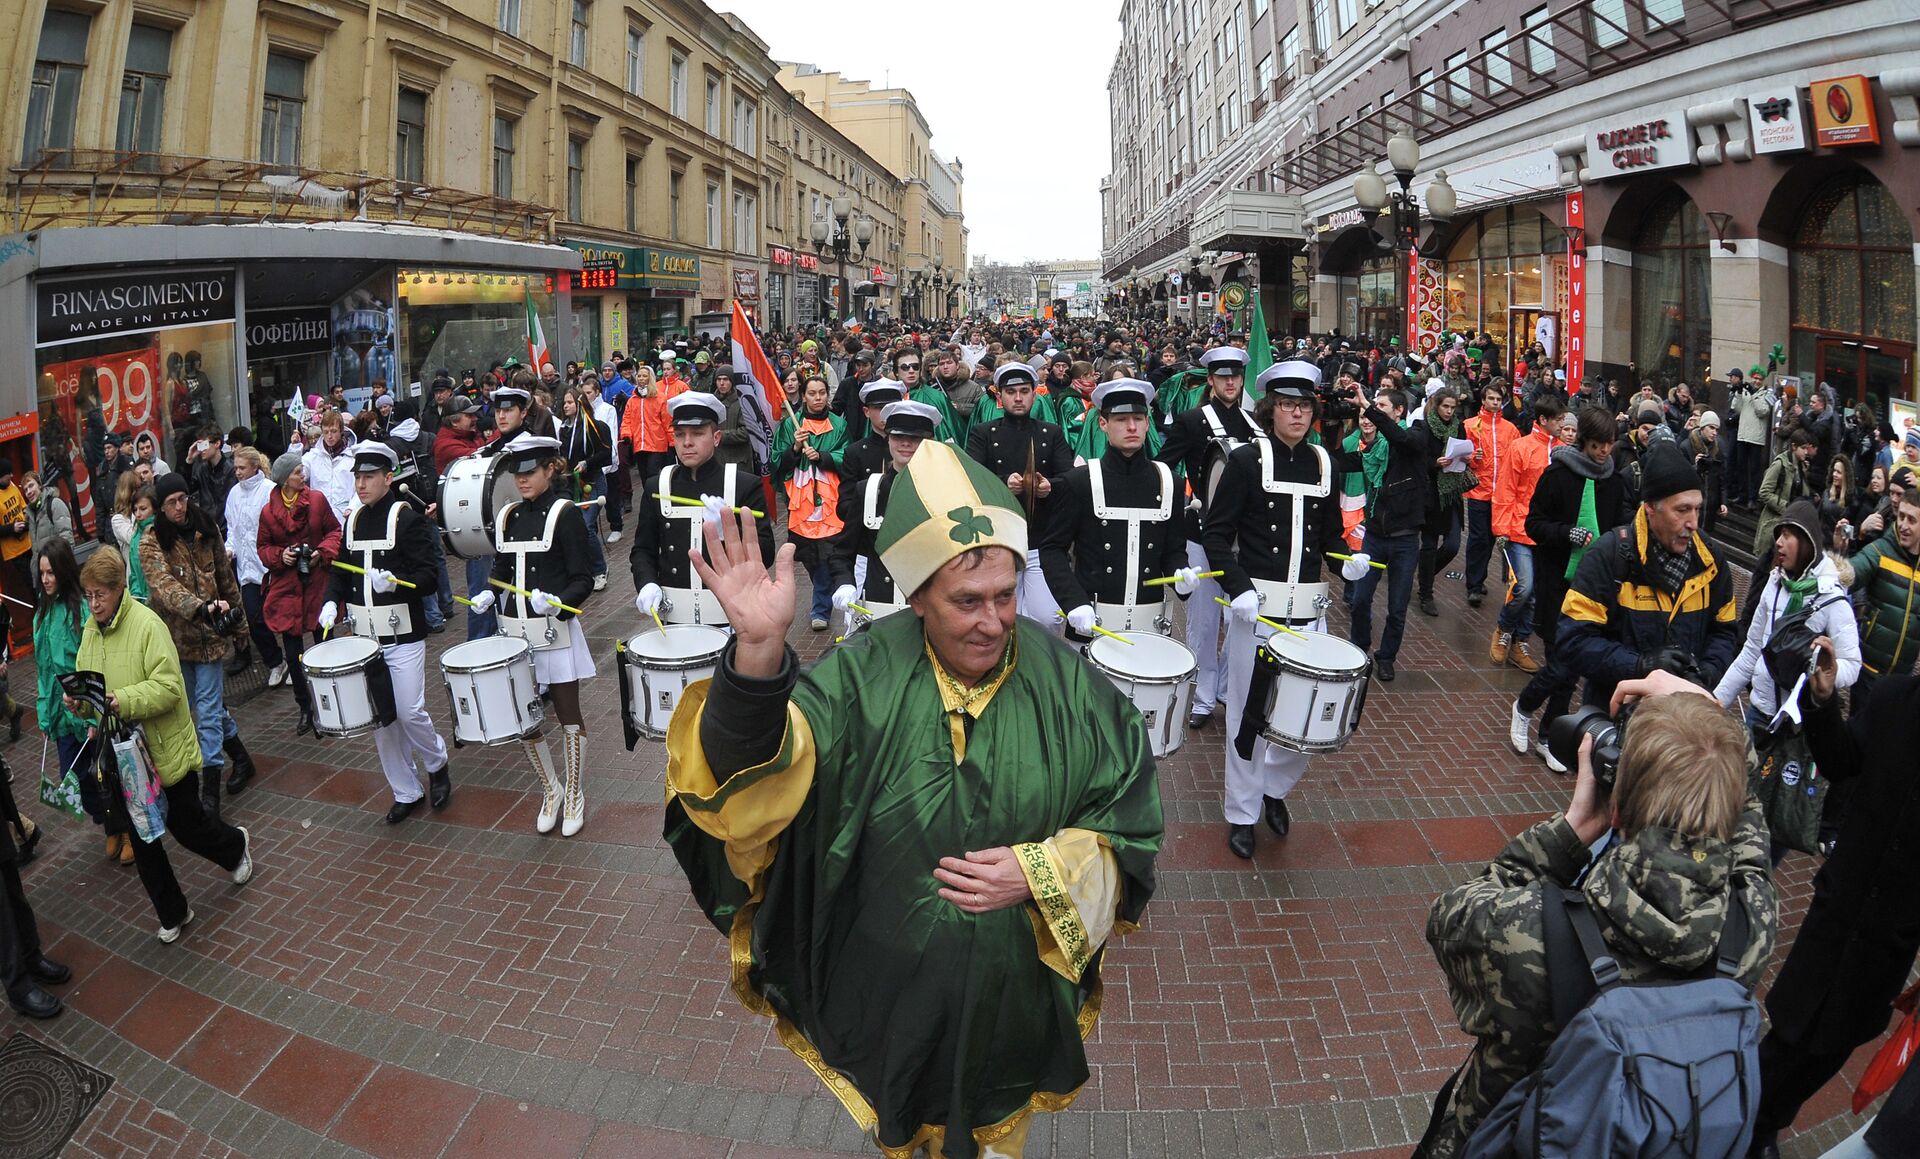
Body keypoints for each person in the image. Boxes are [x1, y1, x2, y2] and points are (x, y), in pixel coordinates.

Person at [663, 439, 1162, 1159]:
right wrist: (758, 658)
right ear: (918, 595)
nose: (993, 621)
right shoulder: (859, 676)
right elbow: (754, 789)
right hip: (883, 993)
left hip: (1011, 998)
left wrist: (1044, 870)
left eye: (1005, 593)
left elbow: (1131, 817)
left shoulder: (1069, 685)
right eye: (967, 601)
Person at [1421, 676, 1776, 1156]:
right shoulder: (1748, 923)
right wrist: (1706, 711)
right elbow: (1750, 813)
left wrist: (1572, 830)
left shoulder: (1528, 934)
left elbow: (1449, 916)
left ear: (1618, 809)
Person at [1744, 640, 1919, 1159]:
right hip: (1839, 909)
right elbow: (1841, 761)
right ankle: (1748, 1125)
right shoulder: (1891, 699)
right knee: (1790, 1029)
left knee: (1833, 1046)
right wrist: (1822, 705)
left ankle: (1765, 1120)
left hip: (1891, 934)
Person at [69, 546, 255, 945]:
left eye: (100, 594)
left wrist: (123, 699)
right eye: (89, 595)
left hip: (162, 749)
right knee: (143, 839)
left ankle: (235, 846)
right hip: (123, 755)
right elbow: (93, 690)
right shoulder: (90, 629)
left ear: (119, 588)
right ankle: (174, 911)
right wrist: (81, 704)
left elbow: (171, 689)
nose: (94, 602)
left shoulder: (147, 624)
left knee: (187, 826)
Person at [1204, 362, 1347, 856]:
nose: (1297, 413)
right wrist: (1237, 586)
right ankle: (1242, 812)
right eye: (1288, 404)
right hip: (1255, 612)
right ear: (1270, 410)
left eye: (1305, 405)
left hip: (1309, 613)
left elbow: (1330, 536)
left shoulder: (1326, 463)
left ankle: (1274, 790)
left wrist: (1348, 560)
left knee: (1303, 717)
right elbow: (1216, 535)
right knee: (1247, 717)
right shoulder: (1245, 460)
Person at [467, 435, 595, 836]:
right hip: (515, 635)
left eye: (529, 473)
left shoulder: (566, 513)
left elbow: (583, 578)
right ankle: (550, 789)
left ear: (550, 469)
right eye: (517, 474)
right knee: (524, 719)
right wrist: (490, 590)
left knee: (567, 715)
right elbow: (503, 567)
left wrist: (559, 603)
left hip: (553, 631)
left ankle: (574, 792)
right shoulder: (508, 516)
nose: (522, 481)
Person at [318, 443, 453, 823]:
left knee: (409, 712)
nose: (361, 484)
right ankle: (405, 790)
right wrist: (331, 601)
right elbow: (342, 570)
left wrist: (396, 583)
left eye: (369, 477)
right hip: (365, 639)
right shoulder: (353, 520)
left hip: (403, 635)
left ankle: (437, 760)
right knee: (382, 719)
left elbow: (429, 577)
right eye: (357, 477)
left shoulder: (407, 520)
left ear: (388, 478)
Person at [1558, 439, 1741, 710]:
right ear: (1650, 509)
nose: (1693, 522)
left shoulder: (1711, 560)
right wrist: (1639, 665)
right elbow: (1572, 640)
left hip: (1683, 721)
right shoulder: (1609, 556)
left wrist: (1703, 674)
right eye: (1682, 510)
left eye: (1697, 508)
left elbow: (1725, 633)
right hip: (1618, 720)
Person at [1508, 407, 1626, 770]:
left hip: (1593, 588)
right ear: (1583, 442)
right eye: (1597, 445)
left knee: (1573, 666)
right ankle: (1525, 706)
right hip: (1556, 581)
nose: (1604, 452)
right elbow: (1535, 524)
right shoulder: (1557, 475)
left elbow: (1622, 525)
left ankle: (1548, 735)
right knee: (1560, 663)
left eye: (1608, 445)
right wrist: (1564, 533)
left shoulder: (1614, 482)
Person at [139, 473, 261, 817]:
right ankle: (240, 755)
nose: (179, 507)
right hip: (174, 642)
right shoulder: (151, 542)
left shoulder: (206, 529)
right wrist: (200, 607)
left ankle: (211, 793)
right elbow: (163, 587)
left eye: (182, 499)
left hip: (209, 641)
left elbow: (226, 581)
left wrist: (239, 629)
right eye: (171, 503)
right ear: (161, 509)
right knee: (203, 706)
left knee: (205, 715)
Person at [1040, 379, 1190, 637]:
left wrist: (1180, 573)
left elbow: (1173, 548)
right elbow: (1053, 549)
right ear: (1103, 424)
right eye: (1121, 420)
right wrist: (1073, 601)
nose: (1131, 427)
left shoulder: (1170, 482)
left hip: (1151, 623)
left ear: (1147, 423)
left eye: (1138, 418)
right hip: (1093, 622)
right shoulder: (1079, 482)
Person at [1156, 346, 1257, 726]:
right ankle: (1201, 696)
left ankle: (1230, 689)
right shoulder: (1191, 421)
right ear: (1211, 381)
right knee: (1202, 620)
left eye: (1236, 376)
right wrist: (1190, 496)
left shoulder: (1255, 424)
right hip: (1201, 533)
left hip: (1244, 539)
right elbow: (1164, 466)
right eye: (1223, 376)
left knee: (1240, 619)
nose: (1230, 382)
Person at [633, 393, 775, 627]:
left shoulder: (744, 485)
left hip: (730, 614)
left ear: (716, 437)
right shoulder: (656, 485)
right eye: (680, 435)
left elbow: (766, 553)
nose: (687, 442)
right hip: (674, 614)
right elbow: (643, 549)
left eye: (697, 433)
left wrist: (726, 534)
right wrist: (646, 582)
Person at [967, 363, 1074, 634]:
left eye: (1024, 391)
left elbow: (1069, 478)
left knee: (1048, 617)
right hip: (999, 538)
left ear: (1033, 395)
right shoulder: (983, 433)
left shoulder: (1051, 432)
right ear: (999, 396)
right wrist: (1004, 484)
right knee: (1003, 616)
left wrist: (1051, 485)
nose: (1018, 398)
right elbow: (970, 480)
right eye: (1011, 391)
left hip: (1042, 539)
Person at [1344, 380, 1439, 683]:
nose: (1373, 411)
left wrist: (1370, 410)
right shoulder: (1373, 447)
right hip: (1374, 535)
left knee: (1397, 607)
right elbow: (1350, 460)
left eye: (1381, 405)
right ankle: (1359, 649)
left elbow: (1401, 439)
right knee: (1359, 600)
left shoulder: (1416, 434)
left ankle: (1386, 657)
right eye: (1374, 405)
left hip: (1405, 540)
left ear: (1399, 411)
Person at [827, 401, 938, 627]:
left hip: (932, 607)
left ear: (929, 442)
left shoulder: (943, 491)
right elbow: (842, 551)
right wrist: (845, 583)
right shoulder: (868, 491)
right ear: (888, 438)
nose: (905, 443)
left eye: (915, 438)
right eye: (897, 436)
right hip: (881, 605)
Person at [33, 540, 110, 862]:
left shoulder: (80, 610)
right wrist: (45, 714)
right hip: (62, 714)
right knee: (75, 775)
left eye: (51, 572)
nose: (46, 579)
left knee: (106, 772)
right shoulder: (42, 612)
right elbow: (42, 668)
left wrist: (93, 716)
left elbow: (92, 663)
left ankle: (120, 827)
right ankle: (108, 819)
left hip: (87, 710)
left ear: (62, 571)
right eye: (42, 573)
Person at [256, 452, 341, 738]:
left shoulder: (316, 500)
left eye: (301, 471)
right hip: (287, 589)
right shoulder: (269, 512)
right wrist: (282, 556)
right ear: (283, 480)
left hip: (317, 581)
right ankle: (305, 706)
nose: (301, 475)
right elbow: (263, 548)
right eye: (295, 472)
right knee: (294, 654)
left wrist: (321, 553)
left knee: (325, 644)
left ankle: (334, 701)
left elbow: (334, 531)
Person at [1487, 392, 1566, 676]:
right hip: (1518, 529)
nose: (1562, 425)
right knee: (1524, 586)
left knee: (1538, 594)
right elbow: (1506, 487)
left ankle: (1520, 643)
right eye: (1558, 420)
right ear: (1543, 420)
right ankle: (1504, 629)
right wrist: (1501, 529)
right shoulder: (1520, 447)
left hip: (1547, 533)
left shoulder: (1562, 449)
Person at [771, 373, 848, 631]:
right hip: (801, 503)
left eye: (822, 393)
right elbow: (775, 462)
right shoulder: (790, 425)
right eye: (812, 393)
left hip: (829, 501)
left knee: (827, 555)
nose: (818, 398)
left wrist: (824, 456)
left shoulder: (839, 424)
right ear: (803, 396)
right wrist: (794, 449)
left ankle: (820, 607)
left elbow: (846, 455)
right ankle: (823, 592)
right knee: (809, 557)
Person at [1838, 483, 1920, 691]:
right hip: (1868, 672)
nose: (1903, 525)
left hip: (1901, 680)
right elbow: (1849, 573)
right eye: (1901, 516)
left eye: (1912, 520)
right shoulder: (1881, 550)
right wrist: (1836, 560)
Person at [223, 447, 286, 687]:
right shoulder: (233, 495)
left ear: (254, 467)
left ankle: (294, 659)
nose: (237, 472)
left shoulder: (270, 491)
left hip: (271, 566)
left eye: (241, 468)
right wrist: (230, 549)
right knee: (254, 618)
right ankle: (275, 662)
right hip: (248, 571)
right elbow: (233, 529)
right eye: (236, 468)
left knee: (282, 616)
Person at [1418, 386, 1470, 618]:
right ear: (1436, 405)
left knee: (1452, 545)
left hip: (1452, 491)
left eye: (1452, 407)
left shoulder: (1458, 426)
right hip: (1431, 492)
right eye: (1445, 406)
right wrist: (1434, 463)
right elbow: (1419, 460)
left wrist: (1468, 457)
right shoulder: (1425, 427)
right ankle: (1426, 592)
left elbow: (1463, 451)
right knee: (1429, 544)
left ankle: (1425, 573)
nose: (1449, 411)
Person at [558, 384, 613, 591]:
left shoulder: (595, 426)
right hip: (571, 486)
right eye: (564, 402)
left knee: (587, 527)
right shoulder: (563, 430)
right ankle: (582, 570)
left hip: (592, 483)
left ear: (579, 403)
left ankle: (600, 570)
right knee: (575, 529)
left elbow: (606, 455)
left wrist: (587, 463)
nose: (565, 406)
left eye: (570, 402)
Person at [1754, 427, 1815, 559]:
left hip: (1790, 525)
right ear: (1794, 446)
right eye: (1803, 448)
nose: (1806, 452)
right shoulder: (1780, 464)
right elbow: (1764, 492)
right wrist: (1787, 507)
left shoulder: (1801, 467)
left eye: (1807, 448)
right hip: (1773, 524)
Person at [302, 410, 357, 521]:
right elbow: (296, 472)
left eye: (333, 431)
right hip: (319, 518)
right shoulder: (312, 456)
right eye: (326, 432)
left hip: (345, 518)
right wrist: (294, 448)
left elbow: (360, 488)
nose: (329, 436)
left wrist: (353, 507)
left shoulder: (353, 457)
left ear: (342, 431)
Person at [20, 472, 72, 577]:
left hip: (58, 572)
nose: (29, 492)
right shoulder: (31, 514)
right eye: (25, 490)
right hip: (43, 576)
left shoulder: (55, 504)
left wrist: (61, 569)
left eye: (31, 486)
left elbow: (66, 539)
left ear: (39, 485)